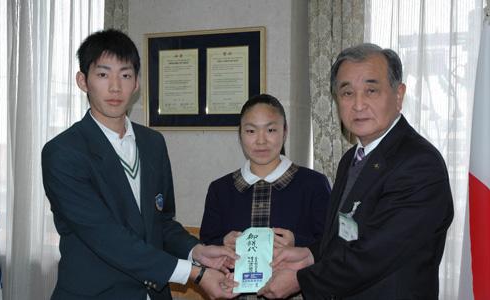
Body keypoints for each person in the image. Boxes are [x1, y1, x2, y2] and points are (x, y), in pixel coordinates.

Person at [41, 29, 237, 300]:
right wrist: (196, 273)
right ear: (82, 81)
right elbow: (106, 237)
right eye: (102, 74)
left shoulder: (152, 143)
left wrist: (196, 251)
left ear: (137, 83)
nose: (115, 87)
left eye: (125, 75)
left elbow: (161, 222)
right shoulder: (63, 152)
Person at [258, 43, 454, 299]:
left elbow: (376, 253)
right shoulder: (353, 156)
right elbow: (346, 232)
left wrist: (300, 280)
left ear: (398, 95)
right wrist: (311, 254)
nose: (358, 104)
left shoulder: (419, 164)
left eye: (371, 90)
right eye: (347, 93)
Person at [199, 94, 332, 298]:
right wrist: (222, 242)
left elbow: (330, 244)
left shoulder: (313, 184)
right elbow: (206, 244)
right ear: (240, 134)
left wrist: (297, 241)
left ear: (284, 132)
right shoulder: (221, 189)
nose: (261, 140)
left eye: (271, 130)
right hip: (234, 294)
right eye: (251, 131)